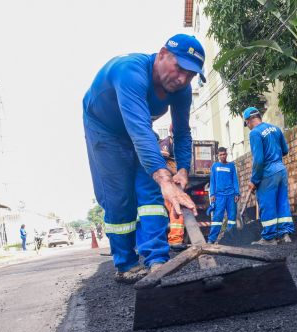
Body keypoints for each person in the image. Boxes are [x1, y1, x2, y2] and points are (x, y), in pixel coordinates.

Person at [82, 34, 205, 283]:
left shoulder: (181, 90)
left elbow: (181, 131)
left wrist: (181, 169)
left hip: (139, 128)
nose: (183, 79)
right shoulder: (130, 72)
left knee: (150, 194)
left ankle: (157, 259)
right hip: (104, 129)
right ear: (161, 55)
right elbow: (138, 131)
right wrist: (165, 179)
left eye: (190, 75)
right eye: (179, 68)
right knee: (120, 197)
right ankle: (125, 264)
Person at [243, 107, 294, 245]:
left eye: (246, 123)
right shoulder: (275, 129)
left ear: (249, 120)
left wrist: (254, 180)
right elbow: (285, 150)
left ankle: (269, 238)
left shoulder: (255, 133)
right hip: (281, 170)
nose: (247, 126)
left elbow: (258, 160)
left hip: (268, 173)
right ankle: (285, 235)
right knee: (282, 202)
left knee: (268, 204)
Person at [158, 126, 186, 249]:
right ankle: (174, 240)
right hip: (169, 184)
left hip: (172, 183)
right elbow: (162, 155)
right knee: (176, 210)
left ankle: (173, 240)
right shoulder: (166, 142)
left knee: (175, 211)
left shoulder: (178, 144)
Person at [207, 147, 240, 243]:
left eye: (224, 154)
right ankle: (211, 239)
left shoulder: (231, 166)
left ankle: (230, 239)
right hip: (219, 196)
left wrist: (237, 193)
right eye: (220, 155)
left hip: (231, 196)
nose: (222, 156)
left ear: (227, 154)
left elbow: (235, 180)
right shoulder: (215, 166)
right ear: (218, 156)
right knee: (217, 218)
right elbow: (212, 181)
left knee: (232, 219)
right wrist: (212, 194)